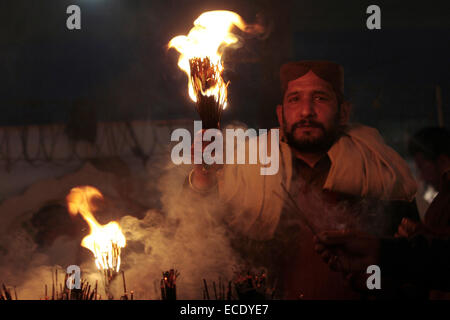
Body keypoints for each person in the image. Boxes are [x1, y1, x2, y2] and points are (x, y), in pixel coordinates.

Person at [187, 60, 420, 299]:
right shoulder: (246, 171)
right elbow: (209, 240)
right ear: (281, 114)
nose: (306, 111)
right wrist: (205, 178)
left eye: (320, 98)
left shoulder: (380, 171)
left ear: (343, 112)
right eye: (295, 99)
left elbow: (416, 267)